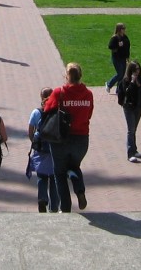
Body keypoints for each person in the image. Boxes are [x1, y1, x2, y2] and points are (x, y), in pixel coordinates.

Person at [44, 62, 94, 213]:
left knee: (59, 173)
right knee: (74, 166)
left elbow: (47, 110)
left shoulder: (59, 92)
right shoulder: (88, 94)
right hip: (81, 139)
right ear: (80, 76)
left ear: (66, 76)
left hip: (61, 138)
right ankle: (80, 190)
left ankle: (65, 208)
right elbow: (89, 113)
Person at [28, 87, 59, 213]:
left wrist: (35, 143)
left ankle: (42, 198)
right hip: (54, 149)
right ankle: (54, 206)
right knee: (54, 177)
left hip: (40, 149)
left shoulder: (36, 112)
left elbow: (30, 131)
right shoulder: (58, 111)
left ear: (41, 97)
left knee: (41, 176)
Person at [117, 61, 141, 162]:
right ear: (130, 71)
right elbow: (127, 92)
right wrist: (132, 82)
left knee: (133, 129)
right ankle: (130, 153)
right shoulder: (126, 80)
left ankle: (134, 149)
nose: (137, 72)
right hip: (129, 107)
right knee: (130, 130)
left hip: (139, 107)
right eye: (135, 70)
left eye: (138, 69)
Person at [106, 23, 130, 93]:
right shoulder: (115, 37)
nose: (124, 30)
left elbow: (127, 47)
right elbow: (110, 46)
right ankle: (109, 84)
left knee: (122, 75)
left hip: (123, 58)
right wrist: (118, 45)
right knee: (119, 74)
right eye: (123, 28)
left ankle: (119, 90)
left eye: (124, 28)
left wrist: (127, 57)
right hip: (116, 58)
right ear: (119, 29)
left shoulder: (125, 37)